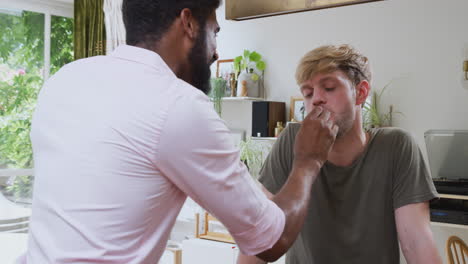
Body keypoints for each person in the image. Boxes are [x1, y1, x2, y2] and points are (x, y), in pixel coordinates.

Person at [21, 1, 340, 263]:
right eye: (214, 32)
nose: (216, 52)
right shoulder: (178, 105)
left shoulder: (66, 79)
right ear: (188, 23)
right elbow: (271, 241)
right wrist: (308, 161)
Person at [238, 45, 443, 264]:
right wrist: (307, 159)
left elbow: (417, 242)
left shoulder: (397, 147)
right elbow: (258, 241)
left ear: (361, 92)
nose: (316, 99)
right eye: (307, 93)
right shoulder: (291, 141)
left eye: (329, 88)